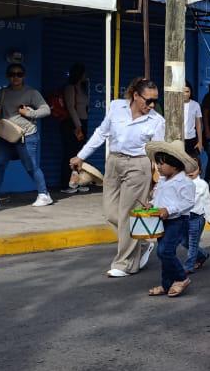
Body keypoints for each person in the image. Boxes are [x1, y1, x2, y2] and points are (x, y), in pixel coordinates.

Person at [71, 76, 165, 276]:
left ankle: (125, 264)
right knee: (111, 212)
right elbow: (100, 133)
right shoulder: (116, 107)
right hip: (113, 162)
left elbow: (157, 152)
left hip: (138, 165)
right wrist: (81, 156)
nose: (152, 104)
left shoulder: (157, 121)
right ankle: (142, 243)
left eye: (155, 100)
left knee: (127, 214)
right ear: (135, 96)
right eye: (148, 100)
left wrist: (159, 181)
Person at [0, 62, 53, 210]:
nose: (16, 77)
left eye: (19, 74)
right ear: (8, 76)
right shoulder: (2, 93)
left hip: (26, 135)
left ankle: (44, 194)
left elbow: (46, 110)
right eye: (12, 74)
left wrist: (30, 113)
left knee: (31, 166)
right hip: (6, 136)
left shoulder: (31, 93)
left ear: (24, 76)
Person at [144, 140, 197, 298]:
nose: (158, 167)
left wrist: (169, 210)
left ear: (174, 165)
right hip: (162, 221)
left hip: (177, 221)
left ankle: (181, 278)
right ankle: (167, 285)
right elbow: (160, 199)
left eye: (162, 164)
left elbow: (188, 203)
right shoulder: (162, 181)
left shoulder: (185, 183)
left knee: (165, 252)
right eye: (157, 164)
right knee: (164, 253)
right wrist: (152, 205)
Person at [58, 64, 91, 195]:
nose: (86, 75)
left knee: (81, 154)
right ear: (79, 74)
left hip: (83, 122)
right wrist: (78, 126)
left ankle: (78, 181)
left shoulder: (82, 88)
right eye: (84, 73)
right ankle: (66, 183)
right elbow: (71, 107)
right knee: (70, 153)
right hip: (73, 124)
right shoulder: (70, 88)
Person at [184, 161, 210, 274]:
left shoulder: (202, 184)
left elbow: (207, 201)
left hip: (197, 217)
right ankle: (203, 255)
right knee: (183, 241)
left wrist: (209, 217)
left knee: (192, 243)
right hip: (185, 217)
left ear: (200, 170)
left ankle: (188, 266)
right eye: (188, 168)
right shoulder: (182, 183)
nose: (190, 171)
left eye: (194, 168)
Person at [182, 83, 204, 161]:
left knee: (192, 164)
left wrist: (200, 142)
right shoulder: (176, 104)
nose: (185, 94)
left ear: (190, 92)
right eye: (183, 91)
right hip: (178, 140)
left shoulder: (195, 105)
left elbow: (198, 124)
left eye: (187, 91)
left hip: (191, 139)